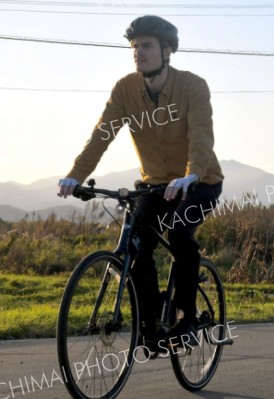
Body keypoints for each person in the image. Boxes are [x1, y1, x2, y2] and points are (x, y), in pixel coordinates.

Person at [57, 16, 224, 348]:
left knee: (179, 232)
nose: (138, 53)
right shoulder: (125, 90)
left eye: (146, 46)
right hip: (155, 186)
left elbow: (201, 137)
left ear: (166, 51)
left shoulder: (193, 86)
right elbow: (101, 136)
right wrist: (75, 175)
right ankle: (151, 325)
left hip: (200, 182)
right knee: (136, 246)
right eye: (135, 47)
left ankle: (186, 318)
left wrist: (191, 173)